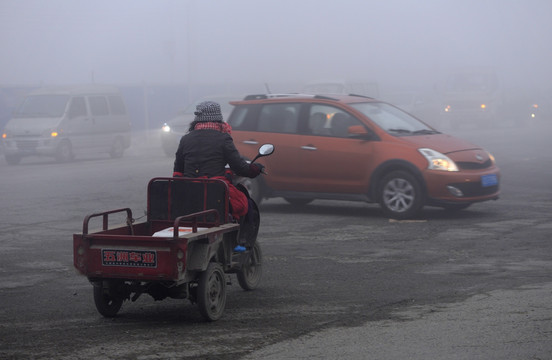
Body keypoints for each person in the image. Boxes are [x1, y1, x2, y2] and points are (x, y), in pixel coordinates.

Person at [172, 101, 264, 250]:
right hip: (215, 192)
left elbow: (177, 171)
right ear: (218, 117)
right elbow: (240, 168)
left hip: (188, 193)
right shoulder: (223, 138)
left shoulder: (186, 139)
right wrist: (255, 169)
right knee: (246, 204)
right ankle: (241, 244)